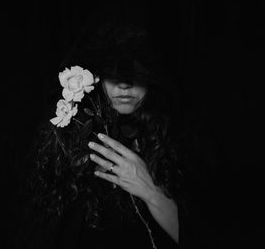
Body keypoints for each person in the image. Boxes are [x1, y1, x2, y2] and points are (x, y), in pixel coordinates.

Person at [11, 22, 193, 249]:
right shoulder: (66, 144)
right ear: (95, 76)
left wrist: (150, 191)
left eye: (137, 70)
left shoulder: (177, 145)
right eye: (114, 70)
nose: (125, 83)